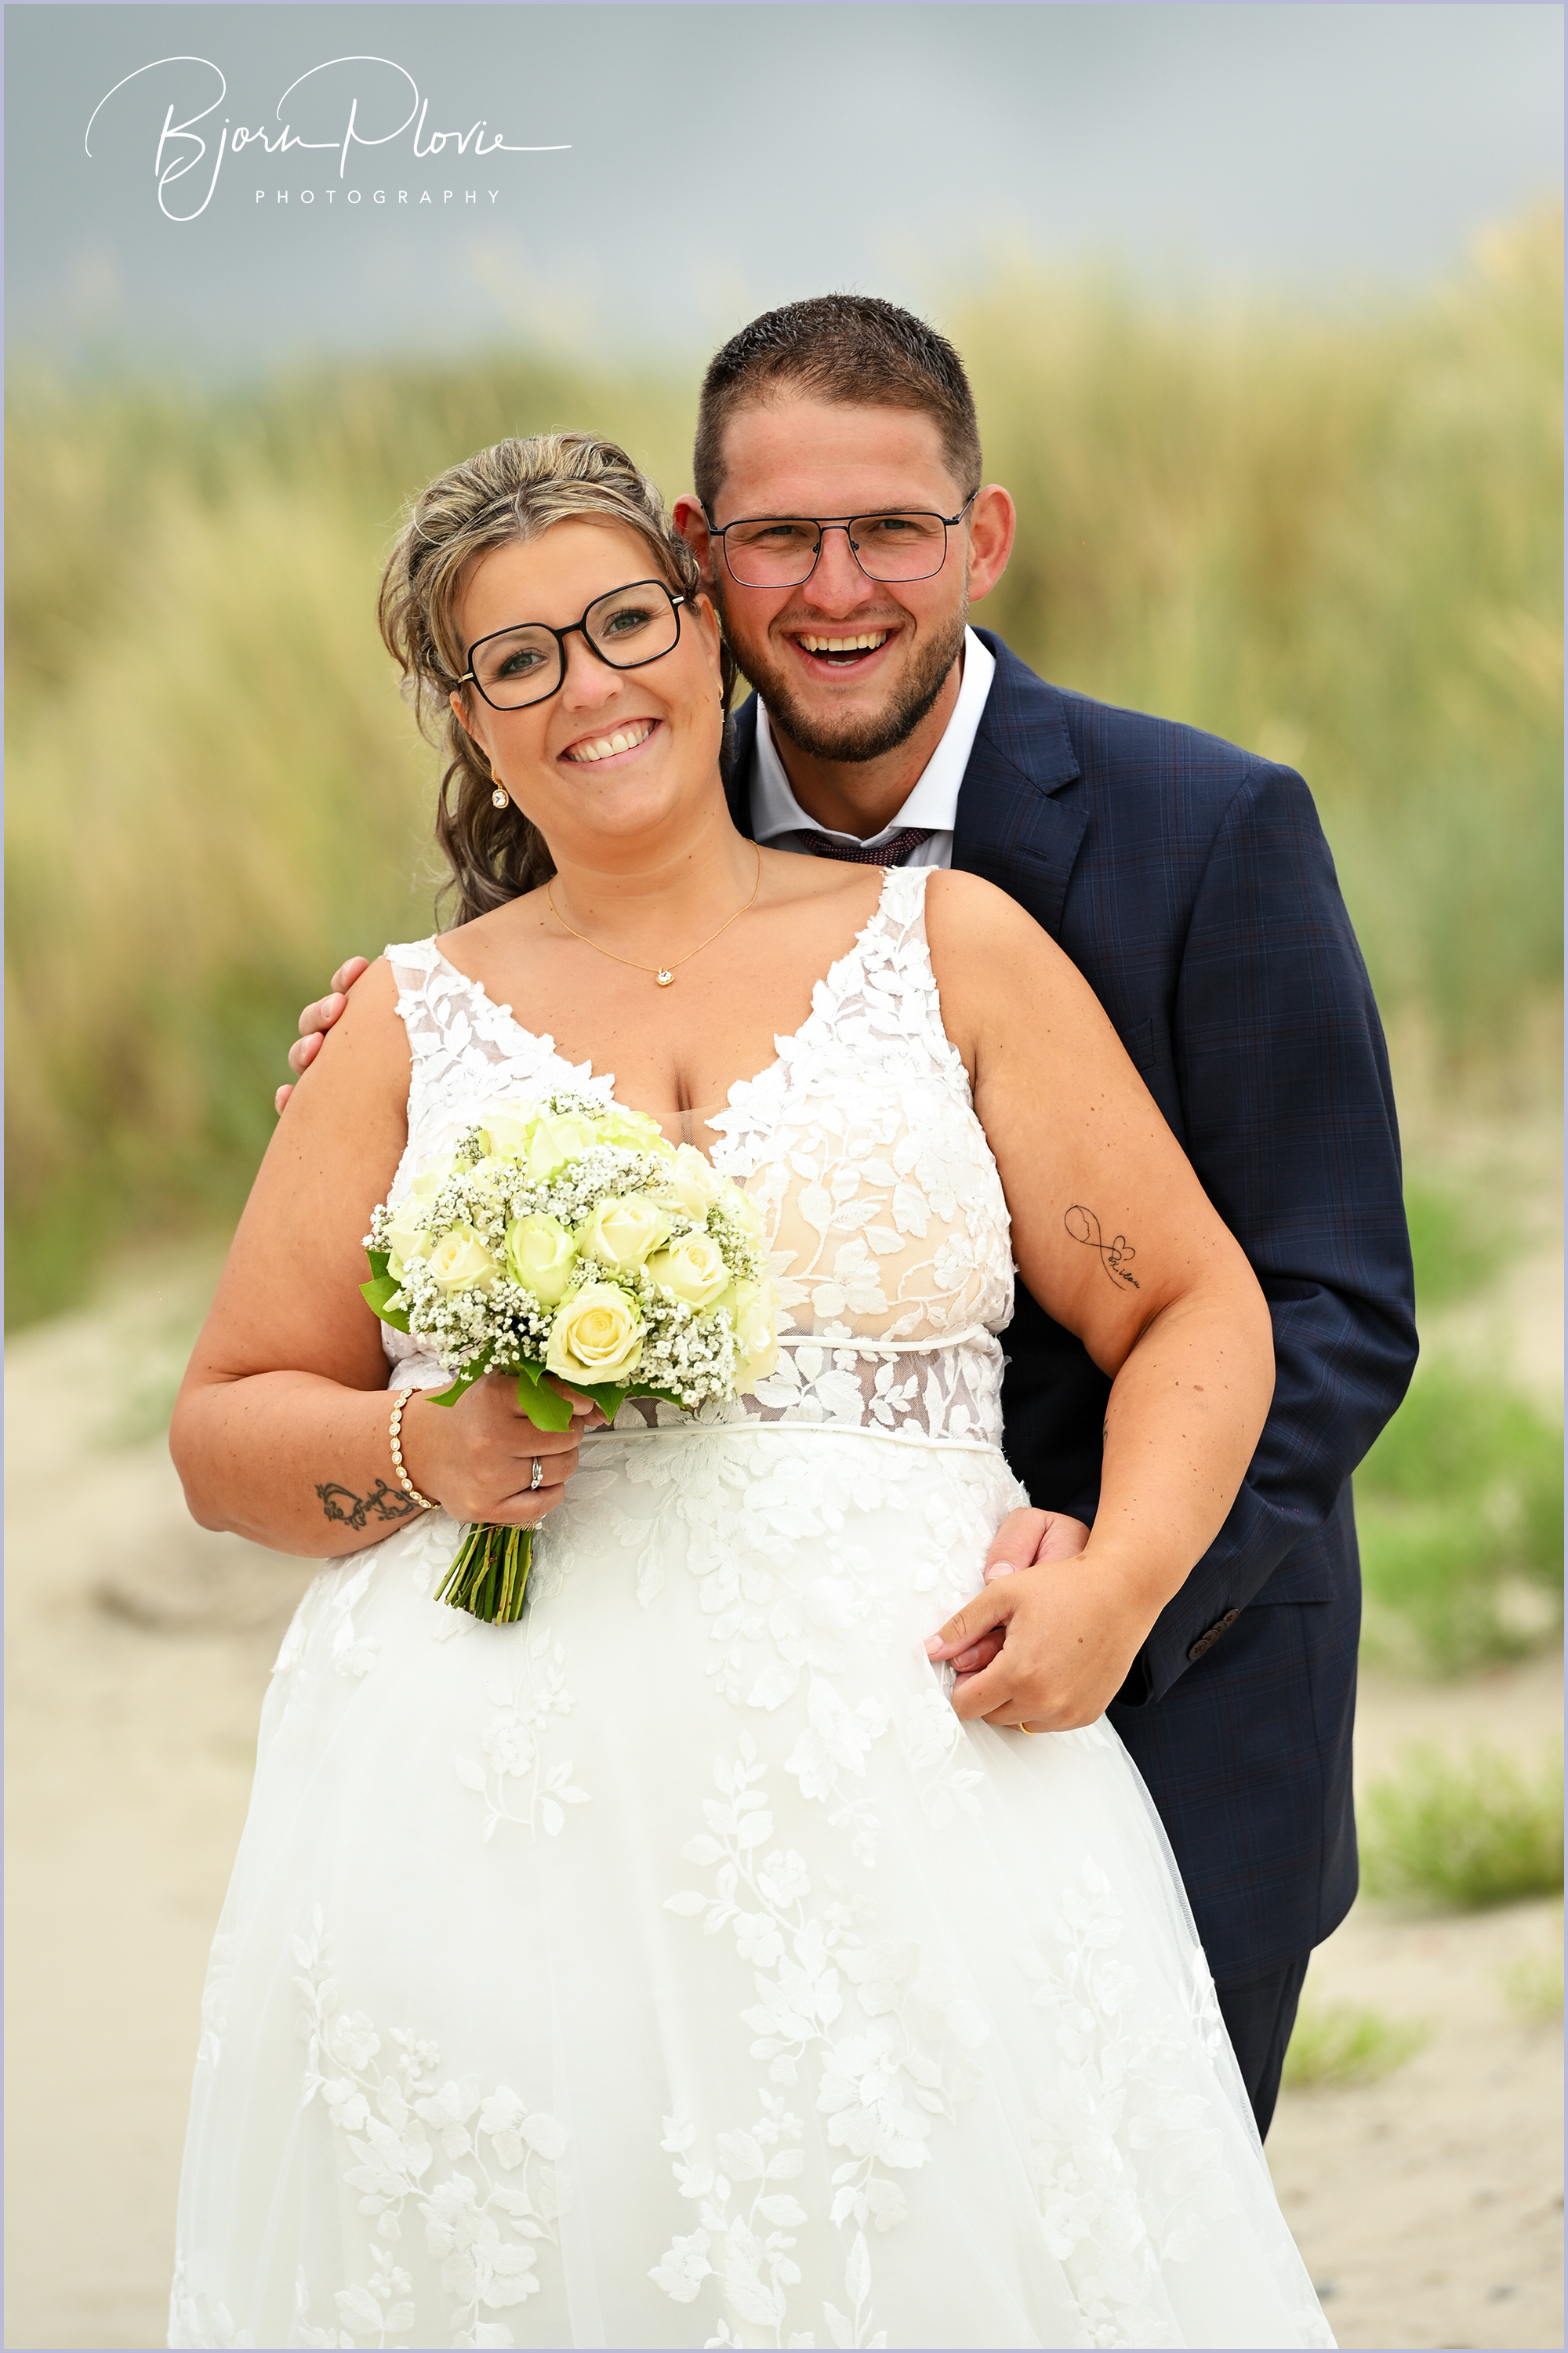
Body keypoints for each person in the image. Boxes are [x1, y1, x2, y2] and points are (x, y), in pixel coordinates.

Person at [168, 428, 1334, 2348]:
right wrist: (424, 1445)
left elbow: (1195, 1306)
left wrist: (1120, 1584)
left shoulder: (947, 945)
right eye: (517, 658)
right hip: (488, 1802)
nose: (588, 686)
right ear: (468, 720)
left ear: (705, 629)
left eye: (624, 621)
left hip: (919, 1766)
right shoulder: (400, 1023)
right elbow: (223, 1428)